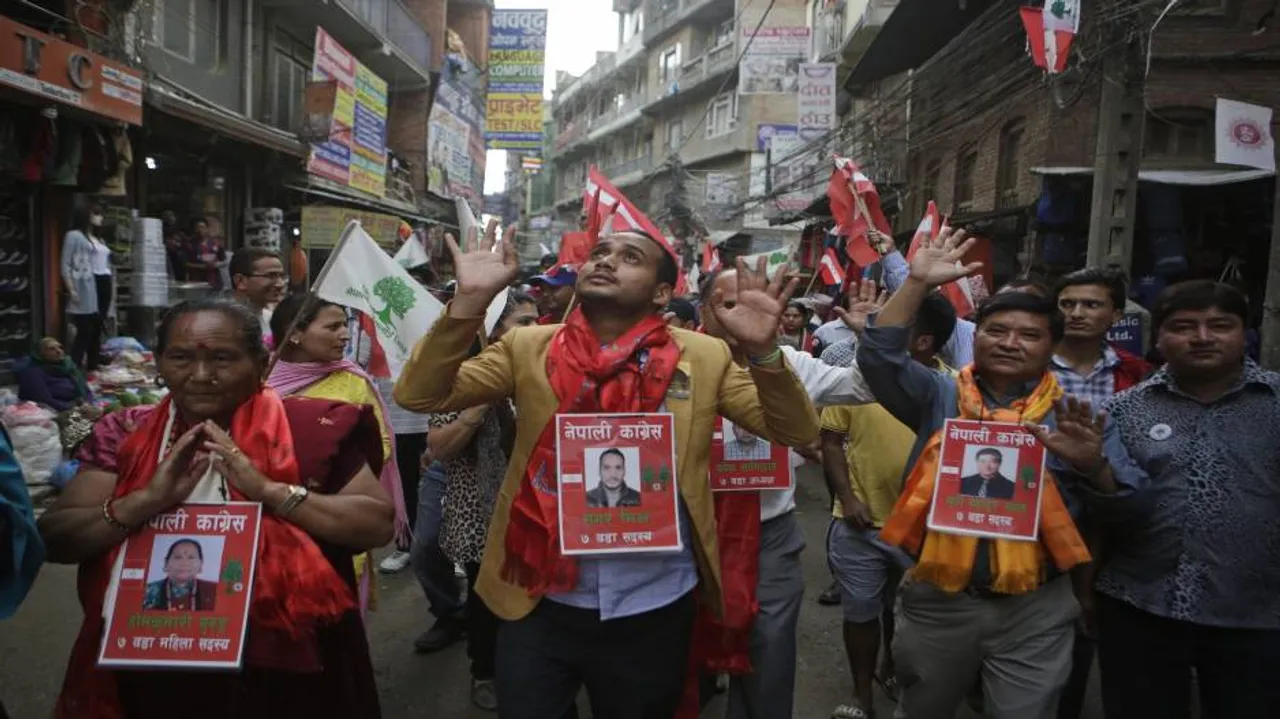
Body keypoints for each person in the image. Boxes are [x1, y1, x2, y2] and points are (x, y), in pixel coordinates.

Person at [394, 226, 820, 719]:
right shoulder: (529, 347)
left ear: (663, 292)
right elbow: (420, 395)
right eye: (599, 252)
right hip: (536, 599)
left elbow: (793, 429)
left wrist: (766, 353)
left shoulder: (703, 356)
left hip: (654, 603)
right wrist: (468, 304)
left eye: (629, 256)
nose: (606, 261)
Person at [39, 297, 393, 718]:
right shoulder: (127, 433)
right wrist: (146, 501)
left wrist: (269, 490)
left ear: (262, 364)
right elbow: (56, 537)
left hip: (286, 668)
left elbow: (377, 524)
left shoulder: (308, 429)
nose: (201, 376)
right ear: (160, 362)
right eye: (181, 357)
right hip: (154, 663)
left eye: (223, 358)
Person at [858, 227, 1129, 719]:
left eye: (1029, 335)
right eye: (996, 331)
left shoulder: (1076, 417)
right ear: (974, 336)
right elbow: (878, 356)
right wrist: (916, 282)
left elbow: (1133, 503)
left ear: (1053, 346)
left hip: (1036, 604)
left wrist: (1094, 467)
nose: (1010, 343)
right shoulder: (939, 394)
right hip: (939, 600)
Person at [1088, 280, 1280, 718]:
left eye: (1220, 325)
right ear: (1159, 337)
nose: (1203, 337)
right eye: (1184, 326)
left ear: (1244, 333)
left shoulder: (1275, 404)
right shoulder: (1124, 410)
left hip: (1257, 613)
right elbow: (1104, 513)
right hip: (1139, 605)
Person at [696, 267, 879, 719]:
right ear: (704, 309)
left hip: (768, 536)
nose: (747, 313)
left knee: (769, 655)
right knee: (681, 656)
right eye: (731, 304)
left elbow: (863, 387)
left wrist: (872, 336)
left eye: (759, 300)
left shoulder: (791, 365)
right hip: (688, 535)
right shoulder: (673, 363)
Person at [819, 288, 957, 719]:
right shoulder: (855, 379)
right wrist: (848, 496)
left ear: (922, 342)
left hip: (923, 534)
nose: (881, 328)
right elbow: (830, 441)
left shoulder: (956, 391)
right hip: (860, 525)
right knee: (860, 613)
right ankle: (862, 695)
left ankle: (892, 668)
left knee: (905, 613)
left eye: (897, 323)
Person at [426, 290, 538, 709]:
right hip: (478, 510)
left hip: (532, 510)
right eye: (523, 323)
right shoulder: (463, 376)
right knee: (484, 597)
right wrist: (481, 405)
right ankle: (484, 671)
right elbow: (440, 446)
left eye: (537, 320)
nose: (535, 330)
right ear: (493, 332)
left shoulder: (544, 371)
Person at [1048, 267, 1151, 719]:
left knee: (1087, 622)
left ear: (1114, 314)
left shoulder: (1137, 374)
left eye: (1090, 304)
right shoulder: (1031, 362)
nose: (1076, 313)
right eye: (1067, 304)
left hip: (1109, 510)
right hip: (1042, 512)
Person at [267, 292, 410, 616]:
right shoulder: (258, 379)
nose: (344, 334)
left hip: (335, 512)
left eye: (344, 326)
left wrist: (327, 472)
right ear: (296, 333)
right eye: (332, 327)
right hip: (272, 517)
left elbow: (381, 446)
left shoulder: (353, 382)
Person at [61, 204, 113, 371]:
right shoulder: (75, 236)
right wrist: (71, 288)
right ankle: (74, 366)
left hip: (104, 280)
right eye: (96, 214)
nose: (100, 217)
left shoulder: (99, 238)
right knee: (85, 329)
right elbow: (66, 263)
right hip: (88, 282)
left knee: (97, 326)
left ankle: (93, 364)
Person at [15, 338, 93, 411]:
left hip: (77, 406)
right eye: (52, 349)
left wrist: (87, 403)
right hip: (53, 409)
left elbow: (86, 390)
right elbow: (46, 401)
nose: (59, 351)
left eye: (60, 347)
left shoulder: (68, 365)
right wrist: (73, 407)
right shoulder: (33, 373)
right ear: (40, 354)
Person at [142, 539, 218, 611]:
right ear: (166, 563)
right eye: (178, 557)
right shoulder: (148, 592)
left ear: (201, 564)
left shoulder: (214, 591)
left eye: (191, 558)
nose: (184, 563)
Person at [231, 248, 287, 337]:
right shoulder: (221, 323)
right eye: (271, 276)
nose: (280, 284)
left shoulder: (273, 320)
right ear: (240, 281)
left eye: (282, 276)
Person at [186, 219, 228, 291]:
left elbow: (224, 261)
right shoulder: (189, 245)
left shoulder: (216, 244)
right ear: (195, 230)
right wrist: (202, 266)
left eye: (202, 227)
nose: (200, 230)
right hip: (197, 282)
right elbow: (185, 264)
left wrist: (216, 264)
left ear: (207, 229)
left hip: (215, 282)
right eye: (198, 227)